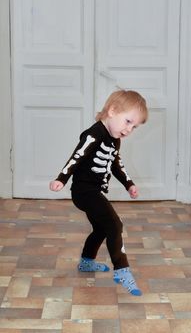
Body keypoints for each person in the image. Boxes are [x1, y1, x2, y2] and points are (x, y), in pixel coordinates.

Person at [49, 89, 148, 296]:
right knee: (114, 224)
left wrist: (128, 183)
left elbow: (115, 164)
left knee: (102, 228)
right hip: (84, 191)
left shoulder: (114, 138)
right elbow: (77, 156)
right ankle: (122, 270)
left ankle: (86, 262)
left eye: (134, 127)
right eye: (128, 121)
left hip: (95, 191)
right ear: (112, 111)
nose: (129, 129)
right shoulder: (94, 134)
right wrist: (62, 178)